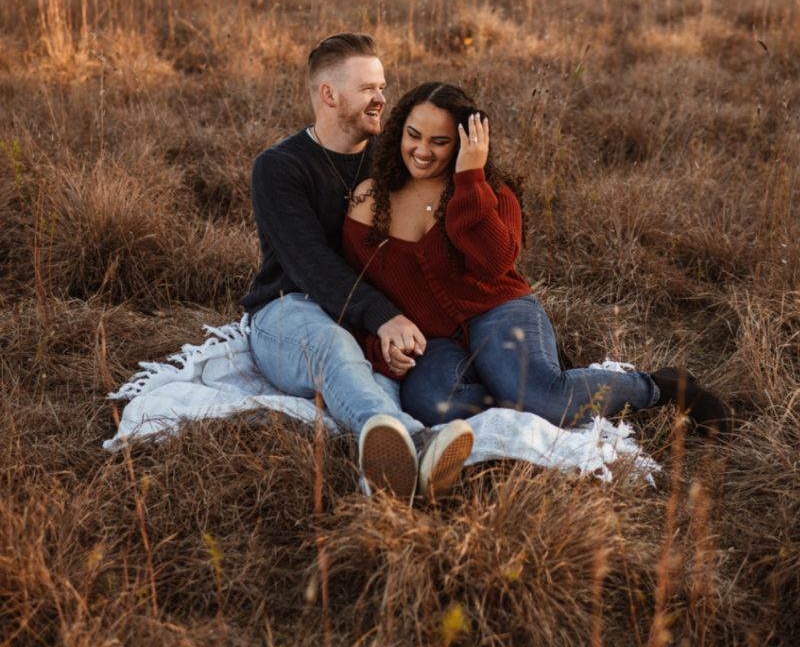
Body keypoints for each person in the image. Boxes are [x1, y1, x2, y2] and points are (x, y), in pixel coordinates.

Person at [343, 82, 732, 437]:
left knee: (542, 399)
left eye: (439, 141)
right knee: (434, 406)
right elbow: (354, 291)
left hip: (498, 312)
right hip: (433, 342)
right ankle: (531, 390)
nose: (422, 151)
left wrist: (470, 180)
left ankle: (660, 387)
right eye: (413, 135)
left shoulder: (491, 192)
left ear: (463, 144)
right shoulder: (369, 202)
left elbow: (494, 264)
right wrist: (379, 348)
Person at [241, 35, 475, 504]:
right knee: (334, 347)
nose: (382, 98)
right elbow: (310, 263)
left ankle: (384, 478)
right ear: (329, 95)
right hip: (288, 309)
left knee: (383, 377)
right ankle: (418, 442)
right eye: (368, 88)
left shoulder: (391, 160)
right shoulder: (279, 167)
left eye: (382, 86)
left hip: (364, 318)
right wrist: (383, 315)